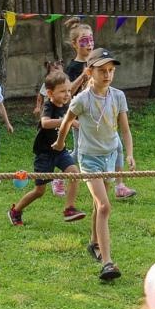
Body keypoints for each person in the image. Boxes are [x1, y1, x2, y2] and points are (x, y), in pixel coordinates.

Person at [52, 48, 135, 283]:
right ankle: (108, 263)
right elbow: (67, 122)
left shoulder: (118, 96)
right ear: (89, 72)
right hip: (89, 159)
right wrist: (59, 143)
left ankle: (93, 242)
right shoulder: (81, 100)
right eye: (102, 71)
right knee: (104, 206)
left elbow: (125, 130)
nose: (107, 75)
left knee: (99, 205)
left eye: (111, 71)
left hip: (109, 156)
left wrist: (129, 154)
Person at [61, 20, 135, 199]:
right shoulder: (73, 67)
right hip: (82, 116)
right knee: (79, 152)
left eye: (91, 40)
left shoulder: (100, 63)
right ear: (75, 44)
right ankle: (60, 174)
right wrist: (84, 73)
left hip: (104, 117)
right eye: (84, 40)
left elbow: (124, 127)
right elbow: (68, 91)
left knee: (116, 147)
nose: (89, 44)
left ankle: (119, 184)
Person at [9, 65, 87, 225]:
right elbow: (45, 123)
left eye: (68, 91)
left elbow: (72, 88)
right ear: (50, 93)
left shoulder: (66, 102)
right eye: (63, 91)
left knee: (74, 174)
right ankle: (15, 210)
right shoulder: (48, 105)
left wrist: (85, 76)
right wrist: (68, 121)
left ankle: (69, 208)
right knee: (39, 191)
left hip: (60, 151)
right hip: (44, 154)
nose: (67, 94)